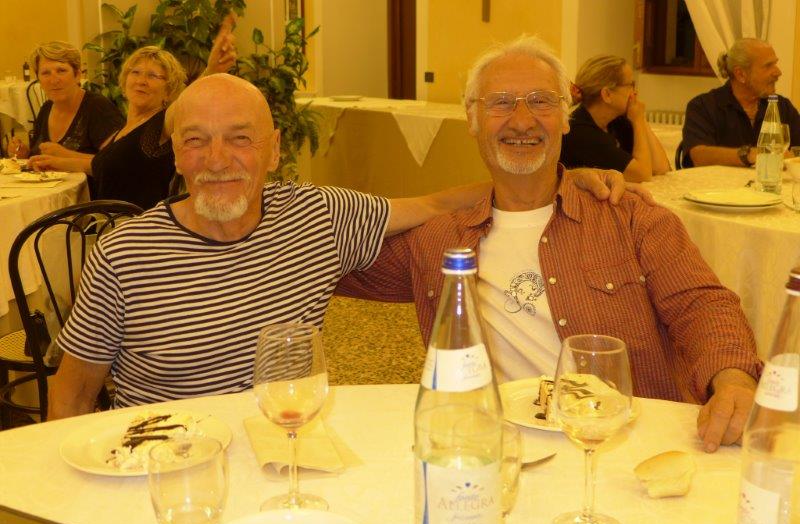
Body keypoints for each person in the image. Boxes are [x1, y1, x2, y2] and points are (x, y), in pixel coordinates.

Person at [47, 73, 629, 420]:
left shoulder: (317, 217)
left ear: (275, 150)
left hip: (287, 447)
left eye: (240, 139)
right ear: (176, 154)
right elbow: (72, 395)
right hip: (166, 464)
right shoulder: (125, 253)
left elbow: (434, 204)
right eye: (196, 141)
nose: (217, 161)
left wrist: (559, 180)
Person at [338, 35, 762, 453]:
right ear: (472, 119)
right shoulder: (437, 241)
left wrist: (733, 378)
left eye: (541, 101)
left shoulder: (628, 217)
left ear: (565, 117)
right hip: (495, 453)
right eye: (501, 102)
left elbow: (701, 305)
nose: (522, 121)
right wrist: (437, 202)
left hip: (620, 447)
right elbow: (317, 244)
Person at [28, 16, 237, 209]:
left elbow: (187, 103)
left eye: (153, 76)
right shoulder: (125, 130)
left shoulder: (159, 126)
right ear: (125, 79)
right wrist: (54, 162)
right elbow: (103, 166)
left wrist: (212, 70)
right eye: (135, 72)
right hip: (109, 224)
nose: (141, 81)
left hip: (138, 228)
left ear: (168, 89)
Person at [682, 38, 800, 167]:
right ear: (741, 75)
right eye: (768, 66)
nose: (778, 72)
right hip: (720, 181)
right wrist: (751, 155)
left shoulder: (782, 106)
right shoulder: (703, 106)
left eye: (775, 64)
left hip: (771, 180)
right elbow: (699, 156)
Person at [560, 55, 670, 182]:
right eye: (631, 85)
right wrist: (638, 120)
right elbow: (642, 175)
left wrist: (640, 118)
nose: (634, 92)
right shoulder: (580, 132)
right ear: (607, 94)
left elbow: (661, 167)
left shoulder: (616, 121)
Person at [8, 41, 124, 159]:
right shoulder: (47, 108)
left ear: (77, 75)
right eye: (45, 73)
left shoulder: (98, 107)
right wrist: (25, 153)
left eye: (61, 71)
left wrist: (65, 155)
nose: (54, 80)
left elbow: (117, 162)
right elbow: (40, 157)